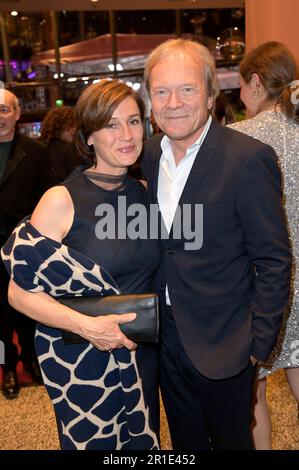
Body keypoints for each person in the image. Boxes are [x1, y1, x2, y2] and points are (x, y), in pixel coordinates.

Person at [141, 38, 291, 450]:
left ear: (210, 95)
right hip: (166, 337)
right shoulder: (150, 154)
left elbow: (275, 259)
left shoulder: (248, 158)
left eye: (187, 89)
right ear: (150, 99)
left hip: (227, 344)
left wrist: (256, 345)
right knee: (184, 444)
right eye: (161, 91)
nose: (173, 102)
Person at [1, 80, 160, 450]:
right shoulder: (62, 199)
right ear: (88, 136)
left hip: (141, 355)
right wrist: (90, 328)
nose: (126, 135)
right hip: (84, 359)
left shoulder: (147, 192)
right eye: (111, 124)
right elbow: (18, 293)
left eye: (134, 121)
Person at [227, 41, 299, 449]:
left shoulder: (236, 139)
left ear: (255, 82)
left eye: (240, 85)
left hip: (262, 281)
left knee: (252, 393)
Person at [0, 89, 55, 399]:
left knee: (26, 308)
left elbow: (49, 196)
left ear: (17, 113)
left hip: (22, 245)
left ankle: (32, 362)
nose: (0, 116)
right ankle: (7, 367)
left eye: (5, 110)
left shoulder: (36, 151)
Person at [40, 106, 83, 182]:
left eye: (75, 126)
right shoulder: (65, 148)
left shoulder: (45, 147)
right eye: (70, 126)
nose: (74, 130)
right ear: (59, 126)